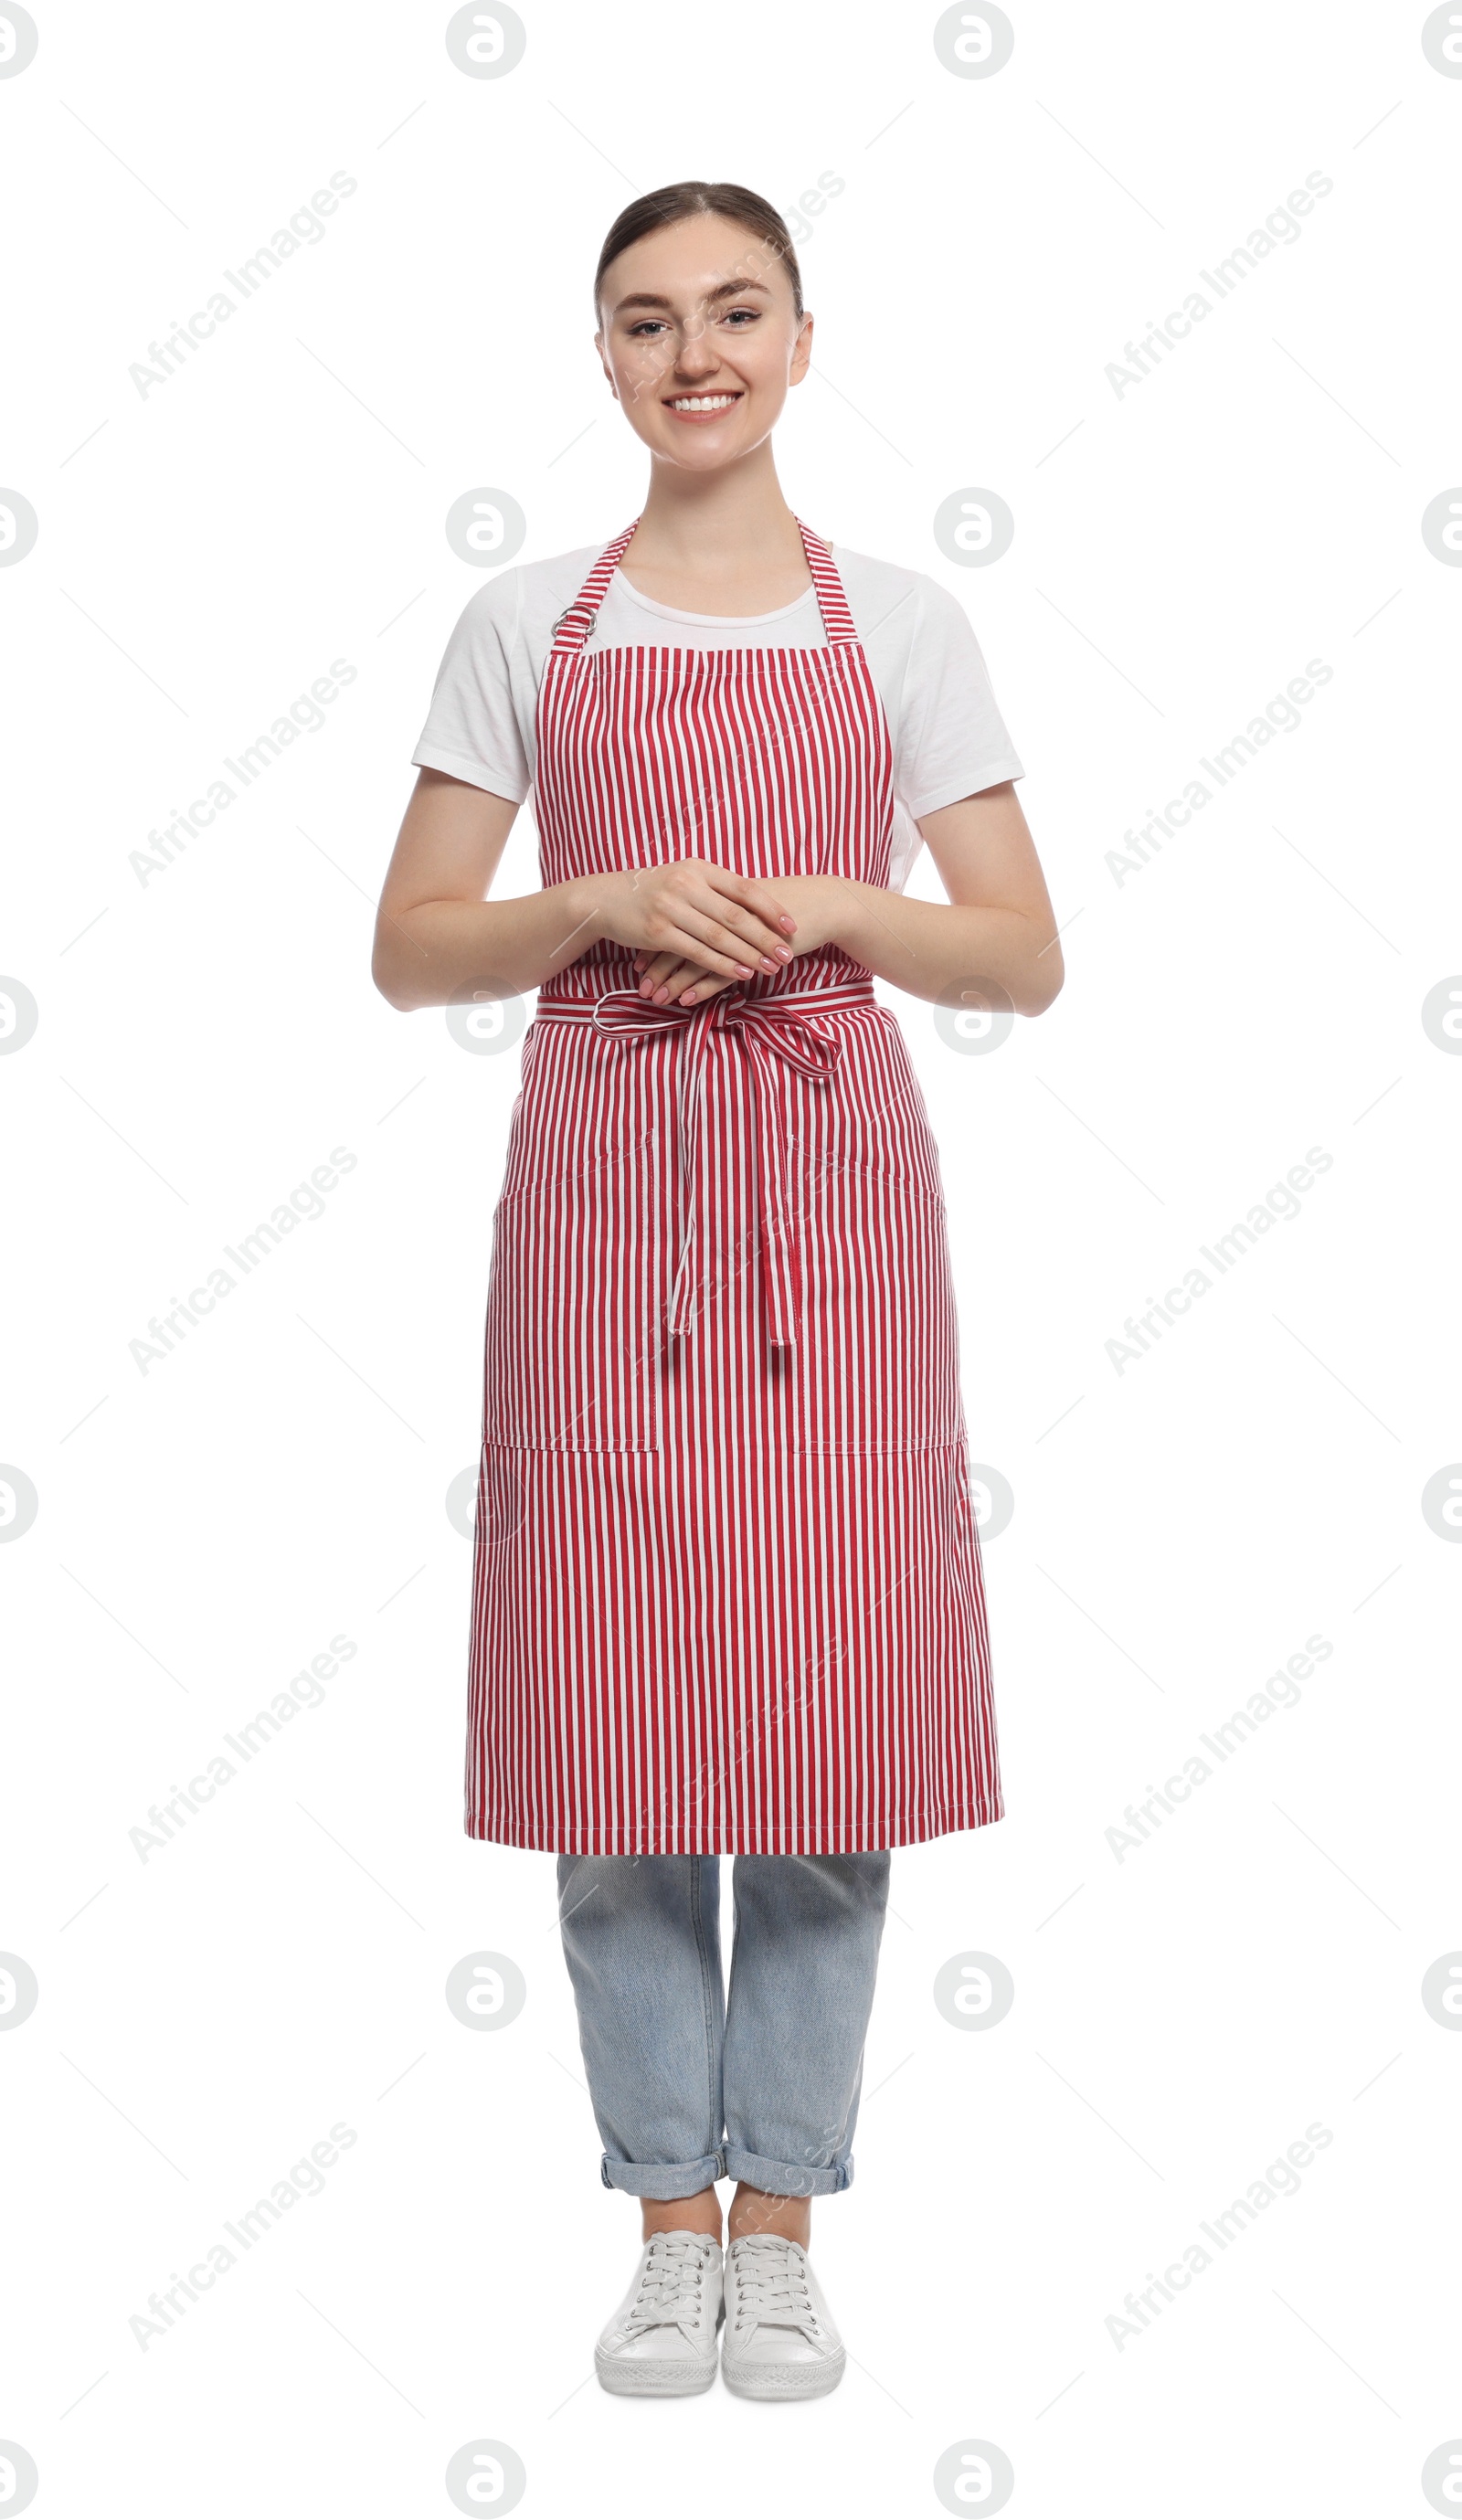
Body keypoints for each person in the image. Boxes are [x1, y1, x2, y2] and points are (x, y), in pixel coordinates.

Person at [372, 179, 1063, 2402]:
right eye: (649, 317)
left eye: (735, 310)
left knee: (834, 1705)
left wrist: (820, 898)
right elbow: (408, 942)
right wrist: (587, 902)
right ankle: (663, 2218)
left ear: (797, 336)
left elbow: (1019, 953)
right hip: (600, 1190)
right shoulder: (515, 618)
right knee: (614, 1710)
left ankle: (786, 2214)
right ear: (599, 356)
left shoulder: (904, 620)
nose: (697, 351)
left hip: (833, 1193)